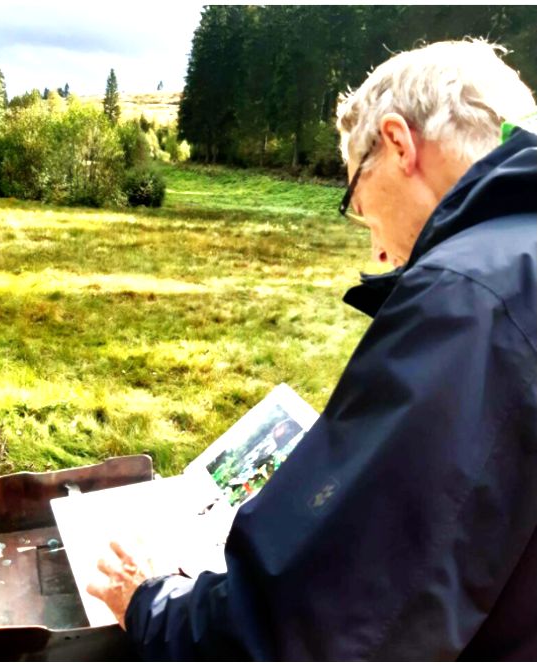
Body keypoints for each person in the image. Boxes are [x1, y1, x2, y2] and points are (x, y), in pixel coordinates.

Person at [87, 39, 537, 660]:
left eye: (357, 199)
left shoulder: (470, 296)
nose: (378, 251)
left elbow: (317, 621)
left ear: (398, 143)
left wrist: (150, 603)